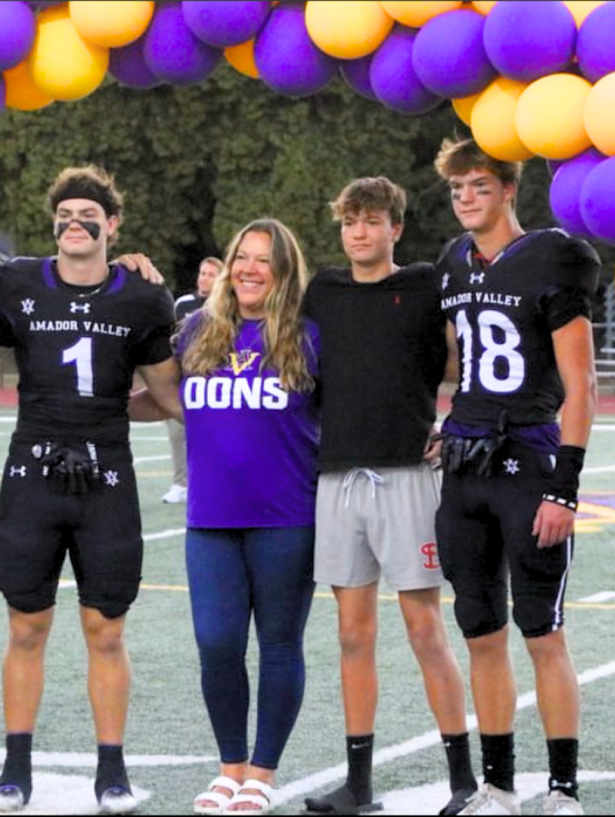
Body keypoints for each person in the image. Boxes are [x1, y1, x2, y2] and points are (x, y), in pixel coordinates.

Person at [0, 165, 180, 815]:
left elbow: (172, 395)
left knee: (106, 629)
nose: (75, 221)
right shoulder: (16, 283)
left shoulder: (143, 296)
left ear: (112, 224)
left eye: (88, 212)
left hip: (106, 474)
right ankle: (14, 768)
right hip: (33, 470)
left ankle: (111, 770)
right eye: (64, 212)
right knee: (26, 624)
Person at [432, 138, 600, 817]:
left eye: (478, 186)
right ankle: (499, 785)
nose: (466, 198)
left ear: (507, 190)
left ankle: (563, 788)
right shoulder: (452, 261)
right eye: (456, 189)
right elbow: (456, 360)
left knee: (542, 630)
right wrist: (437, 421)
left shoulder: (553, 256)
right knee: (479, 630)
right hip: (464, 463)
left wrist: (566, 483)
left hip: (528, 461)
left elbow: (582, 380)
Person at [301, 178, 477, 817]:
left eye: (372, 222)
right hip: (338, 478)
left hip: (406, 475)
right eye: (350, 222)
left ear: (395, 229)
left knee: (425, 627)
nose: (359, 233)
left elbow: (474, 348)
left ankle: (463, 778)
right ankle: (359, 783)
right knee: (352, 633)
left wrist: (455, 421)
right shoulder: (322, 290)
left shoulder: (428, 285)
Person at [176, 218, 320, 816]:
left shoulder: (310, 337)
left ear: (285, 272)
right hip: (210, 518)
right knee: (216, 643)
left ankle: (261, 772)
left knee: (279, 645)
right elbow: (160, 396)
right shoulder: (195, 331)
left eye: (264, 260)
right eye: (242, 257)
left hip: (286, 516)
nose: (249, 269)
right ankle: (229, 766)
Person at [161, 256, 222, 505]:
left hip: (214, 381)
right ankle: (180, 483)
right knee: (176, 432)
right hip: (185, 378)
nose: (204, 278)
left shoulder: (226, 305)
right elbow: (172, 339)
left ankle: (212, 481)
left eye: (210, 274)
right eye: (202, 272)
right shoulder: (183, 304)